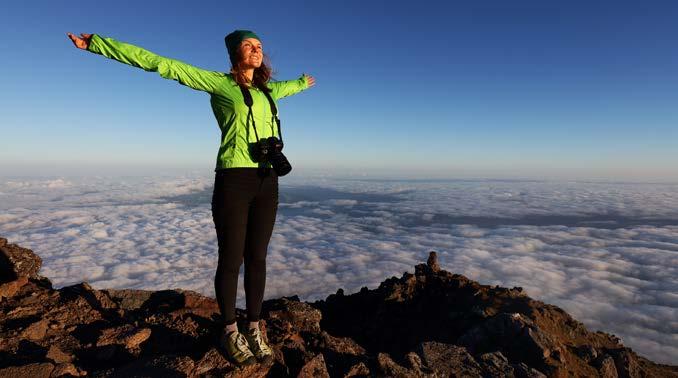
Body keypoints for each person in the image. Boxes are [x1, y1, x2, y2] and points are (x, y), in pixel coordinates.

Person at [67, 30, 315, 366]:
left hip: (267, 179)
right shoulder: (219, 84)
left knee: (258, 257)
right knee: (231, 259)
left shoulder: (269, 91)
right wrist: (97, 44)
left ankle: (254, 328)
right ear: (234, 54)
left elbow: (292, 86)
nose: (256, 50)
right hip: (234, 179)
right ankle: (229, 331)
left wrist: (302, 81)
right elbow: (161, 65)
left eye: (259, 46)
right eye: (248, 46)